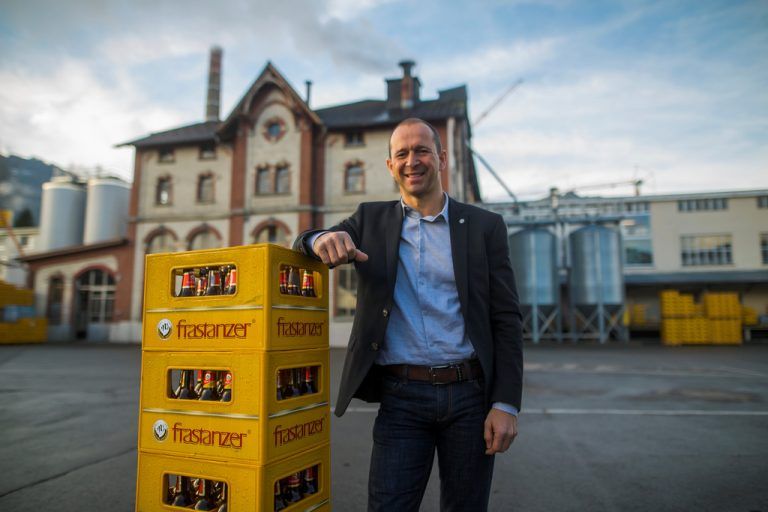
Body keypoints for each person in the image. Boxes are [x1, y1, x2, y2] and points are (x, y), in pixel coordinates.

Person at [293, 118, 523, 511]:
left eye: (421, 151)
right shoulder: (370, 220)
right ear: (390, 165)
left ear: (441, 158)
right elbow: (303, 243)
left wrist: (505, 404)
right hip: (401, 398)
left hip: (470, 395)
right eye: (401, 153)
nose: (412, 161)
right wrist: (319, 239)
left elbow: (506, 318)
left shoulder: (485, 226)